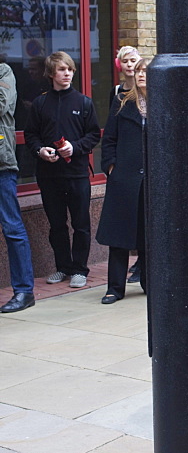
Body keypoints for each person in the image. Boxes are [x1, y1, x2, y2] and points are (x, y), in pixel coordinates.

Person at [23, 51, 100, 288]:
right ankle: (62, 267)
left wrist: (74, 148)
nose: (67, 74)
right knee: (56, 224)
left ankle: (79, 269)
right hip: (49, 175)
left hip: (77, 174)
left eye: (70, 70)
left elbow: (94, 135)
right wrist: (40, 151)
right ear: (51, 74)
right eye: (61, 70)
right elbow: (30, 135)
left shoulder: (84, 102)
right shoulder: (40, 103)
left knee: (80, 224)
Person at [96, 57, 148, 302]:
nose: (141, 75)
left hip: (151, 180)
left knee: (150, 234)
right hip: (124, 179)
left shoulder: (164, 103)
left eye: (146, 71)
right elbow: (109, 139)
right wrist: (110, 167)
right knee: (119, 236)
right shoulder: (120, 102)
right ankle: (114, 288)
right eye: (138, 71)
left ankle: (150, 283)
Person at [0, 62, 35, 313]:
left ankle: (24, 291)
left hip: (2, 165)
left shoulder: (3, 71)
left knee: (12, 227)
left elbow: (2, 105)